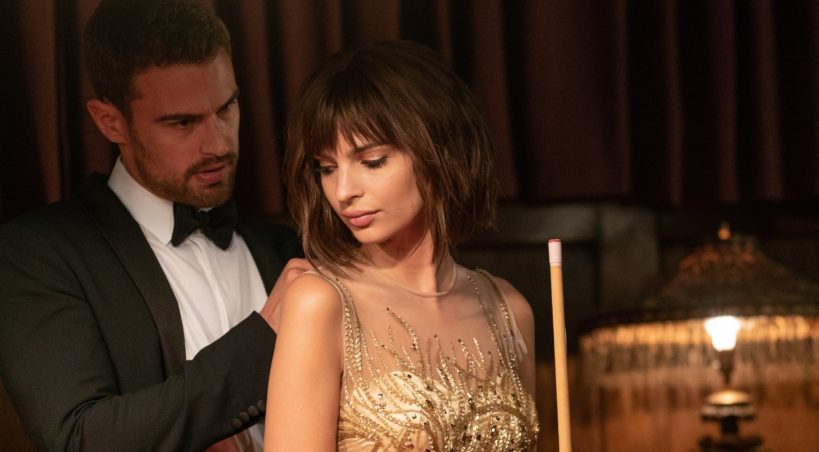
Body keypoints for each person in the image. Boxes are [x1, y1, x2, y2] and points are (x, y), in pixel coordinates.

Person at [0, 1, 307, 450]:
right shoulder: (36, 253)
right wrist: (263, 341)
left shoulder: (288, 247)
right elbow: (79, 439)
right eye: (182, 122)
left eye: (227, 107)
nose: (219, 144)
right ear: (110, 122)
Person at [264, 40, 540, 451]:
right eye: (326, 168)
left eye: (372, 161)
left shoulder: (509, 310)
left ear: (439, 152)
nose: (343, 191)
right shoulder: (321, 302)